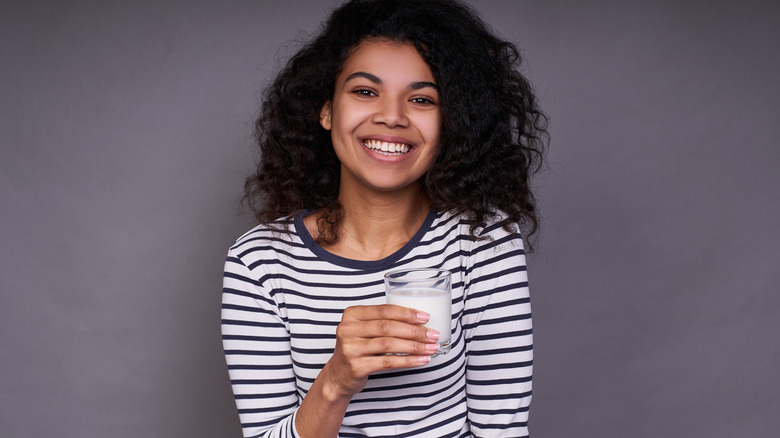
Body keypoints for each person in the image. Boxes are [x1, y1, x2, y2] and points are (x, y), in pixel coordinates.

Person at [222, 0, 548, 436]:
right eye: (365, 91)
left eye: (421, 99)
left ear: (451, 123)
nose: (392, 117)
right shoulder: (258, 263)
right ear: (326, 110)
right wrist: (336, 381)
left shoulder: (483, 240)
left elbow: (501, 431)